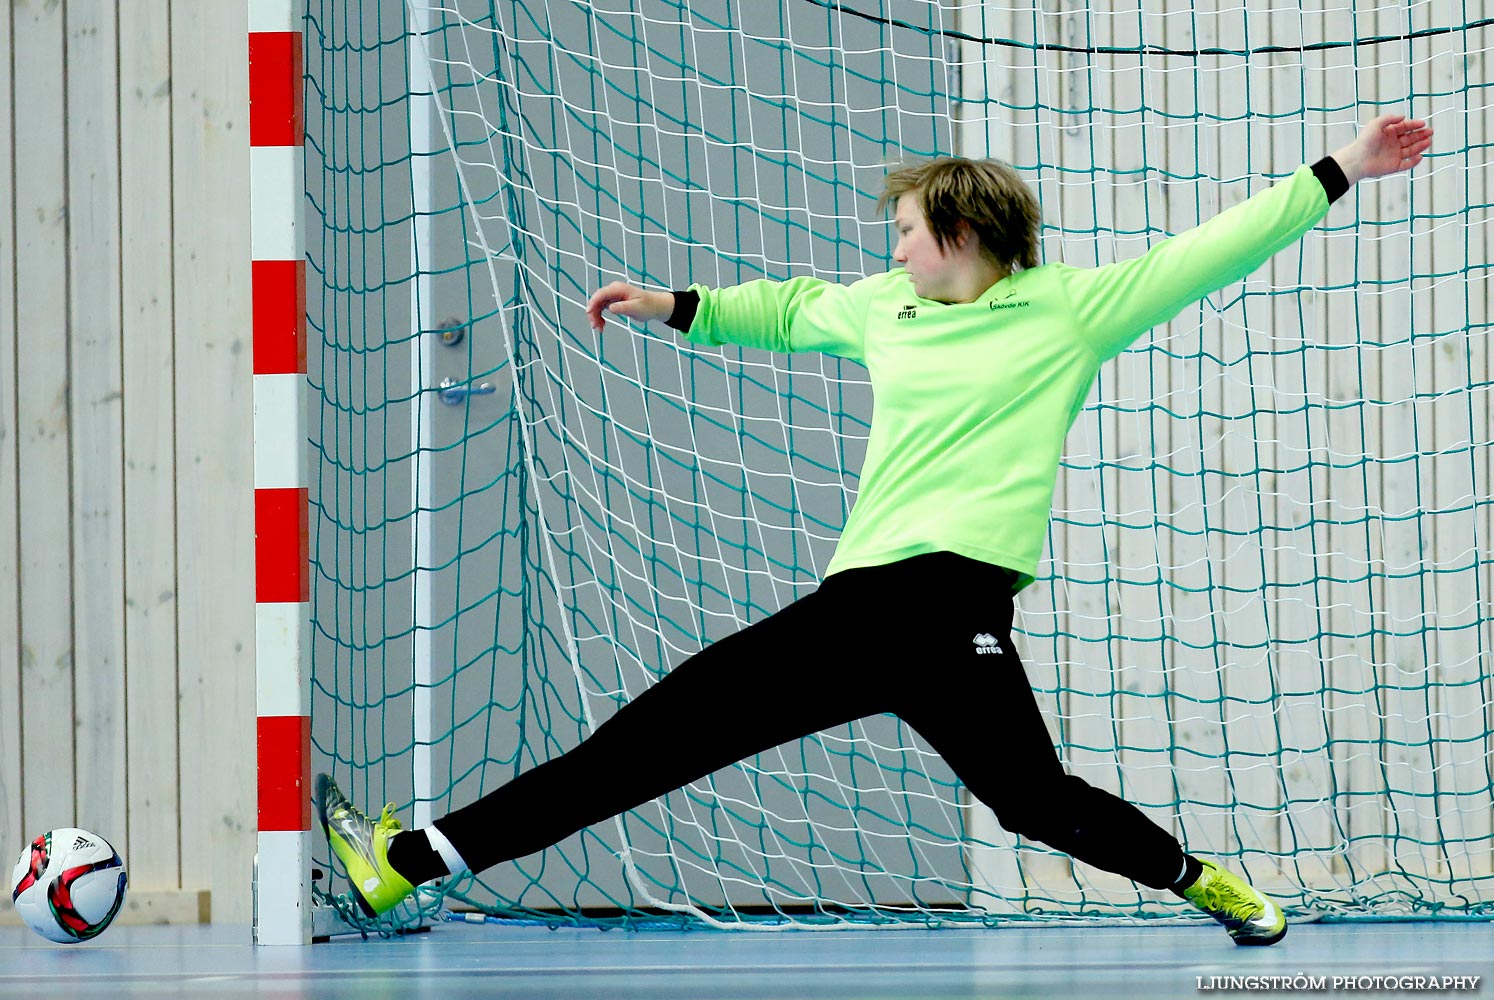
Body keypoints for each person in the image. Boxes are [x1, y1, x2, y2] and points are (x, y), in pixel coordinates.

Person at [317, 114, 1433, 945]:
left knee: (998, 797)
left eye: (905, 231)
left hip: (936, 611)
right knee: (1010, 797)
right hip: (885, 610)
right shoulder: (882, 310)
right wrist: (669, 306)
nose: (893, 249)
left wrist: (1344, 168)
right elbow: (788, 309)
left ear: (955, 231)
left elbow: (1215, 248)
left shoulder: (1071, 310)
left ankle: (404, 864)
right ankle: (1207, 882)